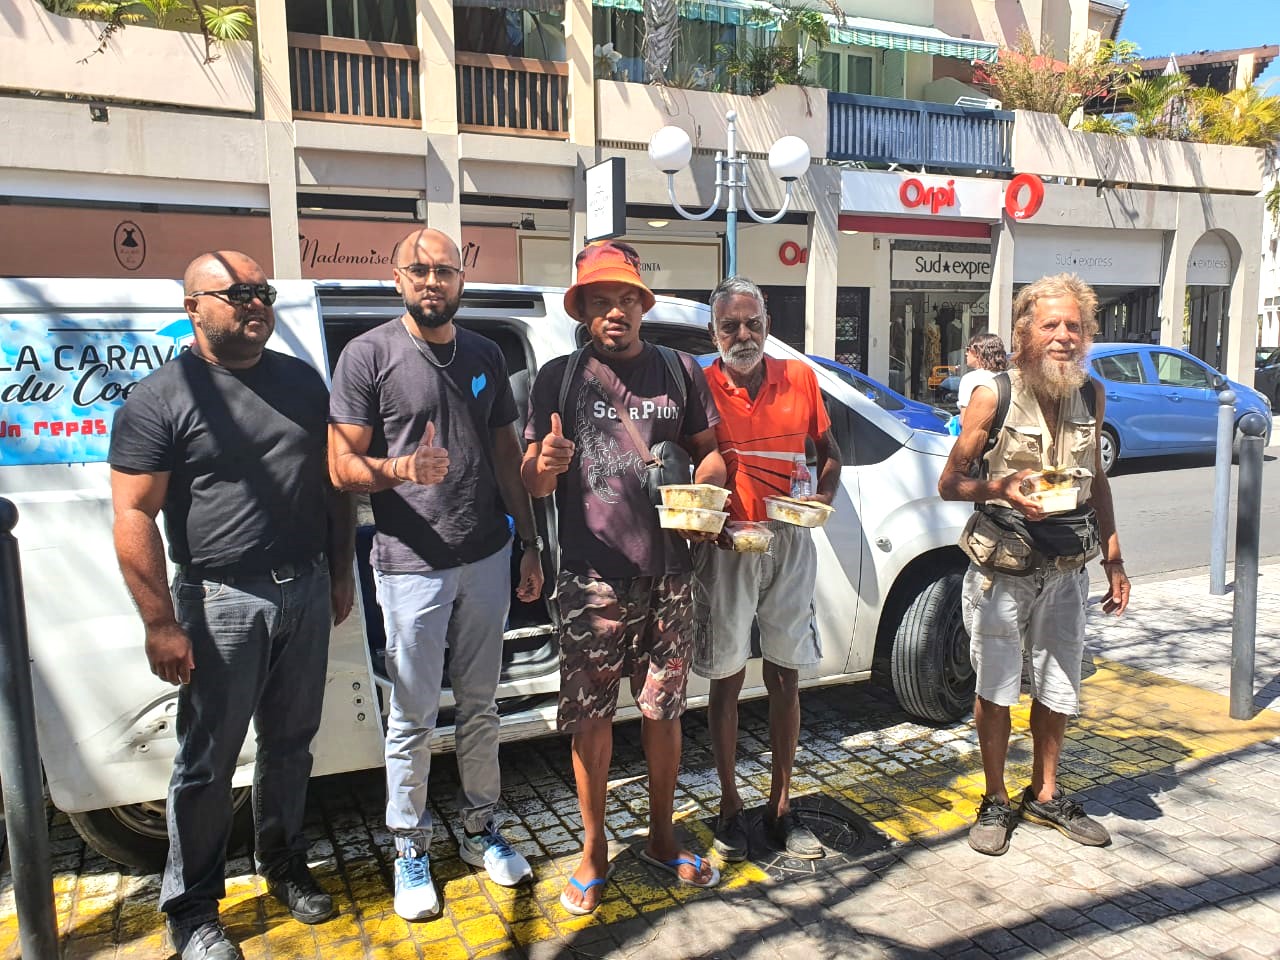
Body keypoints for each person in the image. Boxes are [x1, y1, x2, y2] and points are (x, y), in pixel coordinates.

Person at [110, 252, 356, 960]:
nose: (254, 302)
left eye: (262, 291)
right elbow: (132, 513)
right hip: (219, 600)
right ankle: (192, 910)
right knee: (207, 763)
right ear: (193, 308)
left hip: (305, 586)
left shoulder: (300, 381)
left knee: (291, 745)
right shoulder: (161, 398)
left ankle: (282, 864)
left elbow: (334, 485)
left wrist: (339, 572)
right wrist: (160, 621)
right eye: (237, 292)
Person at [328, 228, 543, 920]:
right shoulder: (369, 355)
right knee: (414, 716)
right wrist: (401, 469)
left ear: (461, 281)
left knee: (482, 706)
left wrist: (530, 542)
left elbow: (506, 456)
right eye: (418, 270)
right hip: (410, 565)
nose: (431, 281)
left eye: (444, 271)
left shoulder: (484, 353)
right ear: (397, 278)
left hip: (486, 557)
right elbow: (340, 466)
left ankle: (481, 829)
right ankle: (410, 847)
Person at [521, 240, 727, 915]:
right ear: (583, 310)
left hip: (672, 574)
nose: (616, 310)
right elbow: (532, 480)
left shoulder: (680, 370)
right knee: (591, 719)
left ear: (642, 304)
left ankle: (663, 838)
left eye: (626, 298)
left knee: (664, 712)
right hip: (592, 578)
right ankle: (593, 850)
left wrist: (706, 494)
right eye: (601, 300)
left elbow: (710, 454)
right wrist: (546, 463)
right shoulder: (558, 378)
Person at [938, 273, 1131, 857]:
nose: (1064, 336)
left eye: (1075, 325)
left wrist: (1115, 560)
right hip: (1002, 568)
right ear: (1024, 332)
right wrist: (1000, 487)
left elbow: (1097, 482)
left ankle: (1046, 794)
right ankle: (996, 799)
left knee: (1059, 683)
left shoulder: (1091, 394)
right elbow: (950, 483)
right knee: (996, 686)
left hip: (1067, 567)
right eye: (1051, 325)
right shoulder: (993, 395)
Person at [693, 276, 842, 862]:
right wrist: (709, 521)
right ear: (714, 333)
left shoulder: (800, 377)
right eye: (729, 326)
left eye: (752, 323)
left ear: (768, 327)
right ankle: (730, 807)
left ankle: (782, 807)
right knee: (726, 676)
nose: (743, 335)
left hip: (789, 539)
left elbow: (829, 454)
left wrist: (821, 499)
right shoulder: (700, 384)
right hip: (727, 545)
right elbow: (687, 463)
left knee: (785, 674)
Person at [957, 332, 1009, 412]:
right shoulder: (1007, 377)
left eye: (968, 349)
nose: (966, 353)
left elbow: (964, 417)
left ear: (978, 352)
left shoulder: (970, 379)